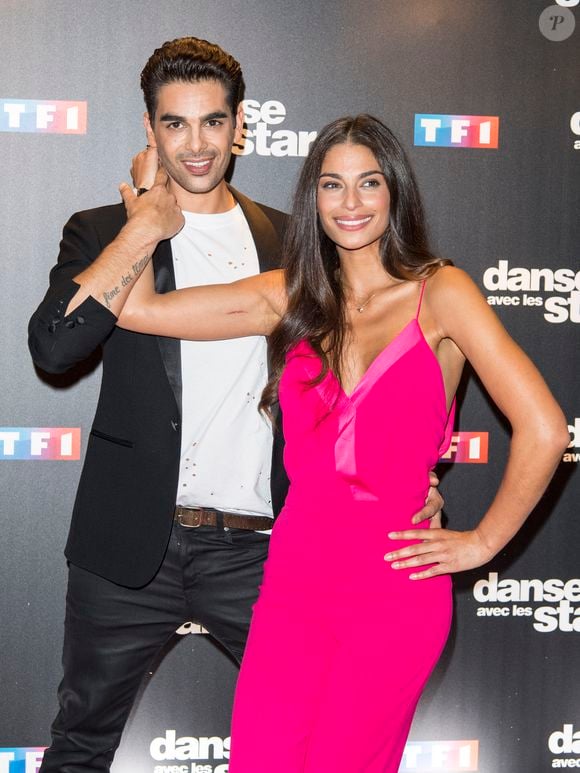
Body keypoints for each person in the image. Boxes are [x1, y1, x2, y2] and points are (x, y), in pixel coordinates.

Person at [27, 39, 442, 772]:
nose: (196, 144)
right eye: (176, 124)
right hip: (127, 547)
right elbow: (56, 347)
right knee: (79, 745)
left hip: (263, 553)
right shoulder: (101, 232)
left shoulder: (296, 241)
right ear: (150, 130)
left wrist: (416, 478)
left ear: (240, 125)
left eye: (212, 122)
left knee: (309, 741)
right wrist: (146, 226)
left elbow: (366, 375)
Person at [114, 114, 569, 772]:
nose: (351, 203)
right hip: (295, 586)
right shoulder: (290, 295)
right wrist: (146, 214)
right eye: (332, 185)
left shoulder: (441, 293)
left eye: (368, 183)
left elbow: (547, 428)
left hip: (393, 591)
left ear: (395, 193)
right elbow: (137, 310)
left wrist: (481, 542)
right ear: (313, 198)